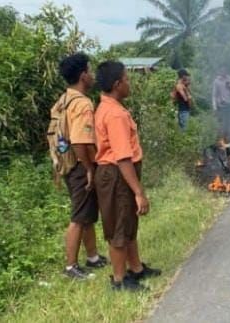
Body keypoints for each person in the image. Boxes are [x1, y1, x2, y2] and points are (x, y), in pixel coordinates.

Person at [94, 61, 161, 291]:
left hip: (118, 175)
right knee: (120, 228)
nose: (129, 83)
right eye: (127, 79)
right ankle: (120, 280)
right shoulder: (114, 115)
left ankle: (136, 269)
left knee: (129, 223)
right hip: (117, 175)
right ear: (117, 84)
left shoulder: (110, 107)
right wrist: (139, 192)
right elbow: (123, 157)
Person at [55, 53, 107, 280]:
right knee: (78, 216)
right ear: (83, 75)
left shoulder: (65, 99)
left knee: (86, 213)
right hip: (79, 166)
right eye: (90, 70)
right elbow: (79, 141)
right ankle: (71, 267)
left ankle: (93, 257)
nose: (93, 74)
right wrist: (88, 168)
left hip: (67, 163)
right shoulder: (83, 103)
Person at [212, 68, 230, 140]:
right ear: (219, 71)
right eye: (221, 70)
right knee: (223, 123)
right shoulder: (217, 81)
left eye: (224, 70)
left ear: (226, 71)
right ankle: (221, 138)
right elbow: (214, 95)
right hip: (222, 105)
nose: (223, 72)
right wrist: (215, 107)